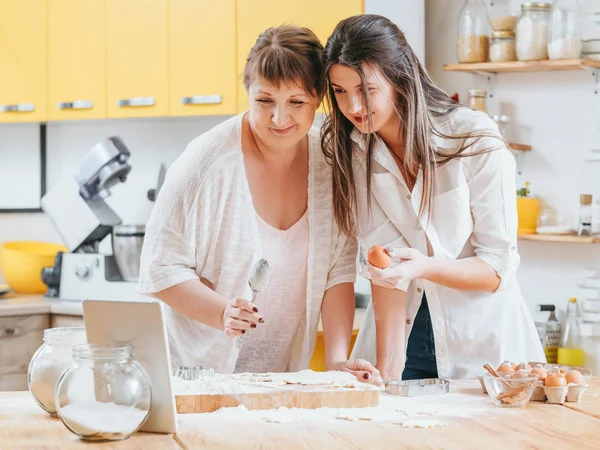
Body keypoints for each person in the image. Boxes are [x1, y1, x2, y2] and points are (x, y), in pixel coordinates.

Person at [138, 25, 380, 383]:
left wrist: (337, 362)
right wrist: (223, 313)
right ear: (248, 93)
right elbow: (160, 270)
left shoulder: (330, 163)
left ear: (319, 98)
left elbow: (337, 273)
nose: (280, 119)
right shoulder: (206, 162)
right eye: (264, 101)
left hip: (277, 380)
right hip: (192, 378)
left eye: (296, 102)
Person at [320, 14, 545, 381]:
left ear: (399, 77)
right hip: (405, 338)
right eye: (340, 91)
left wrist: (423, 266)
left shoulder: (473, 139)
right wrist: (389, 373)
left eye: (366, 90)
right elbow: (385, 270)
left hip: (484, 349)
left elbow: (496, 267)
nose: (353, 107)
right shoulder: (355, 152)